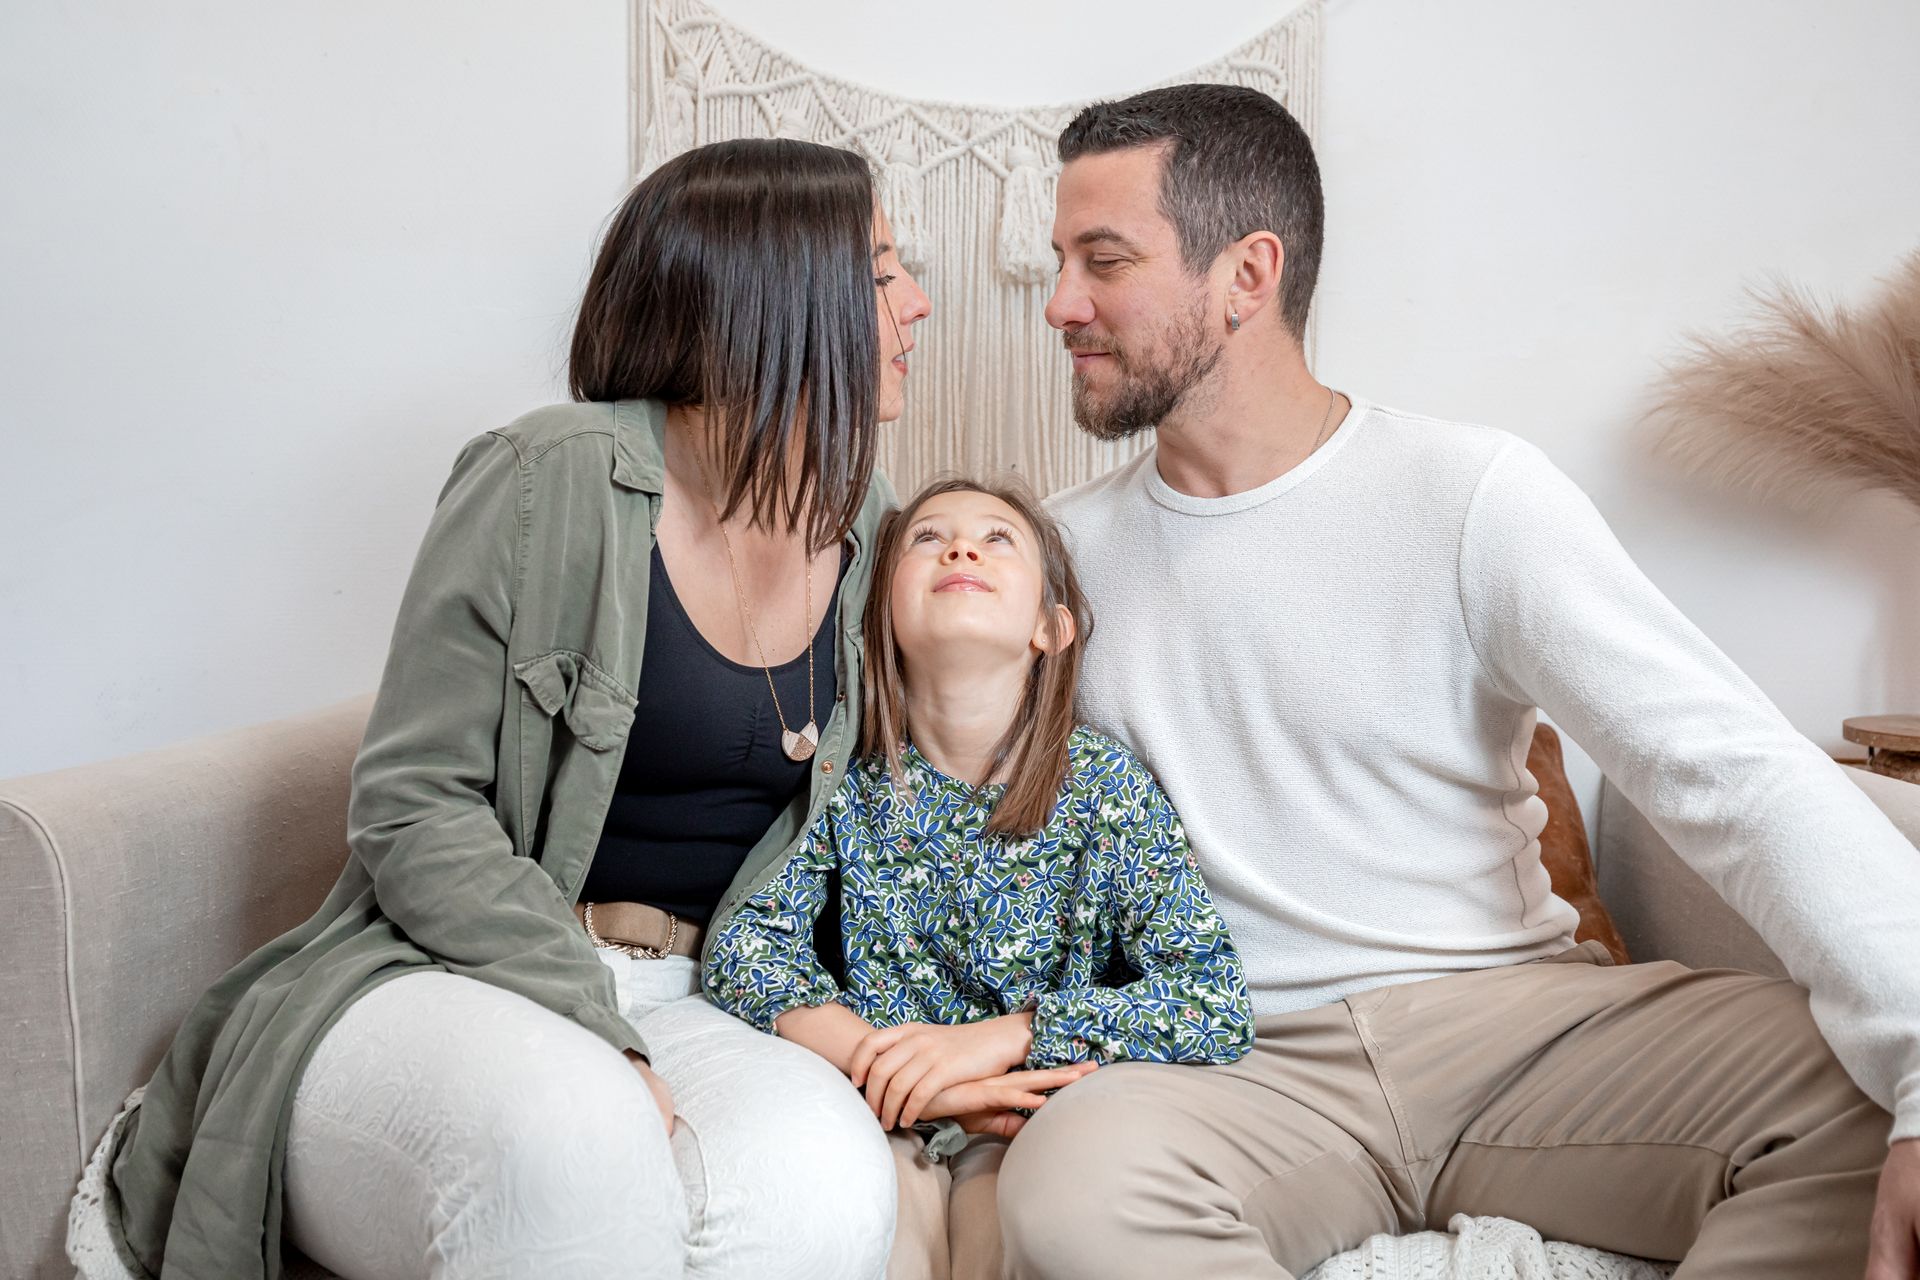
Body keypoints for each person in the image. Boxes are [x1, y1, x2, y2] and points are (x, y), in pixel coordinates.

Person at [993, 83, 1920, 1278]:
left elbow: (1731, 770)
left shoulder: (1471, 492)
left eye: (1102, 260)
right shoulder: (1046, 558)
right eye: (1060, 261)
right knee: (1070, 1191)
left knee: (1860, 1104)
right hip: (1240, 1063)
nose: (1061, 304)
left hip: (1523, 1025)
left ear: (1248, 273)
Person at [70, 139, 932, 1280]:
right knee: (575, 1145)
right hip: (464, 972)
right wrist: (592, 1020)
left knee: (828, 1182)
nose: (917, 303)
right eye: (880, 272)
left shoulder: (863, 513)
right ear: (773, 296)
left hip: (706, 996)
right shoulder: (545, 476)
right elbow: (412, 804)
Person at [703, 476, 1255, 1280]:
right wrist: (898, 1072)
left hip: (1034, 1116)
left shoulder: (1105, 789)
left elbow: (1213, 1000)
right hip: (888, 1113)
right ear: (881, 613)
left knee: (1012, 1234)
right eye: (928, 538)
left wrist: (1004, 1039)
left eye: (998, 539)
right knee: (876, 1235)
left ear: (1050, 627)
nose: (961, 547)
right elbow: (743, 948)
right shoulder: (847, 783)